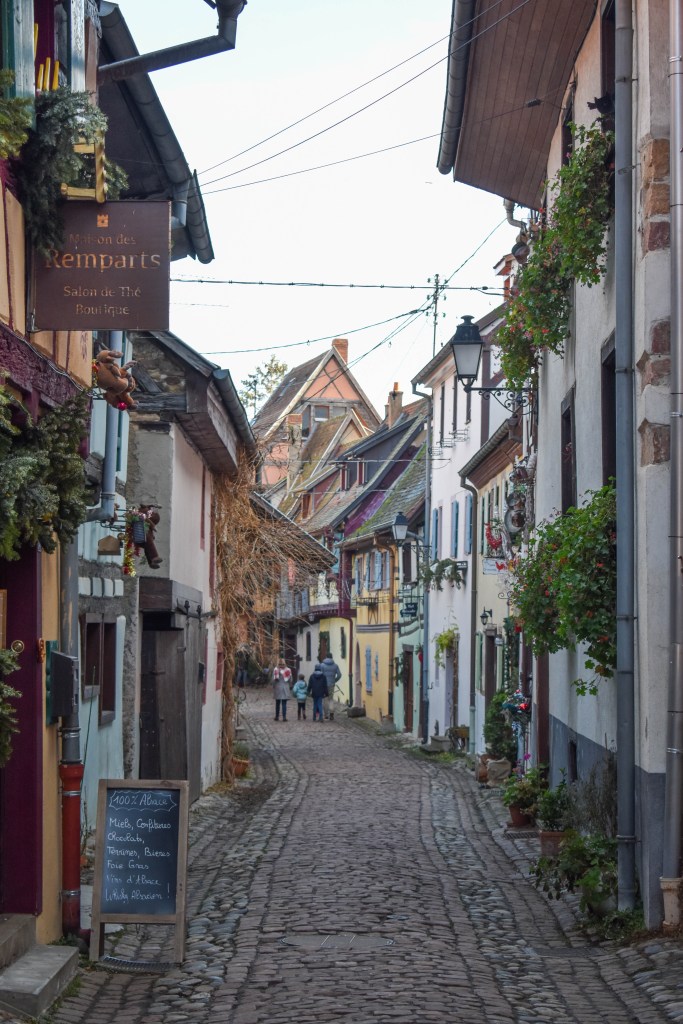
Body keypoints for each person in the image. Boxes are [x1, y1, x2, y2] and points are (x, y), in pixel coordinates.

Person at [320, 652, 342, 720]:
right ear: (332, 657)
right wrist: (334, 680)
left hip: (324, 685)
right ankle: (331, 714)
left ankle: (325, 715)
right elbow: (339, 675)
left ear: (326, 657)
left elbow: (320, 675)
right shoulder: (335, 665)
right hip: (332, 684)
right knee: (331, 699)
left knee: (325, 699)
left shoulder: (322, 665)